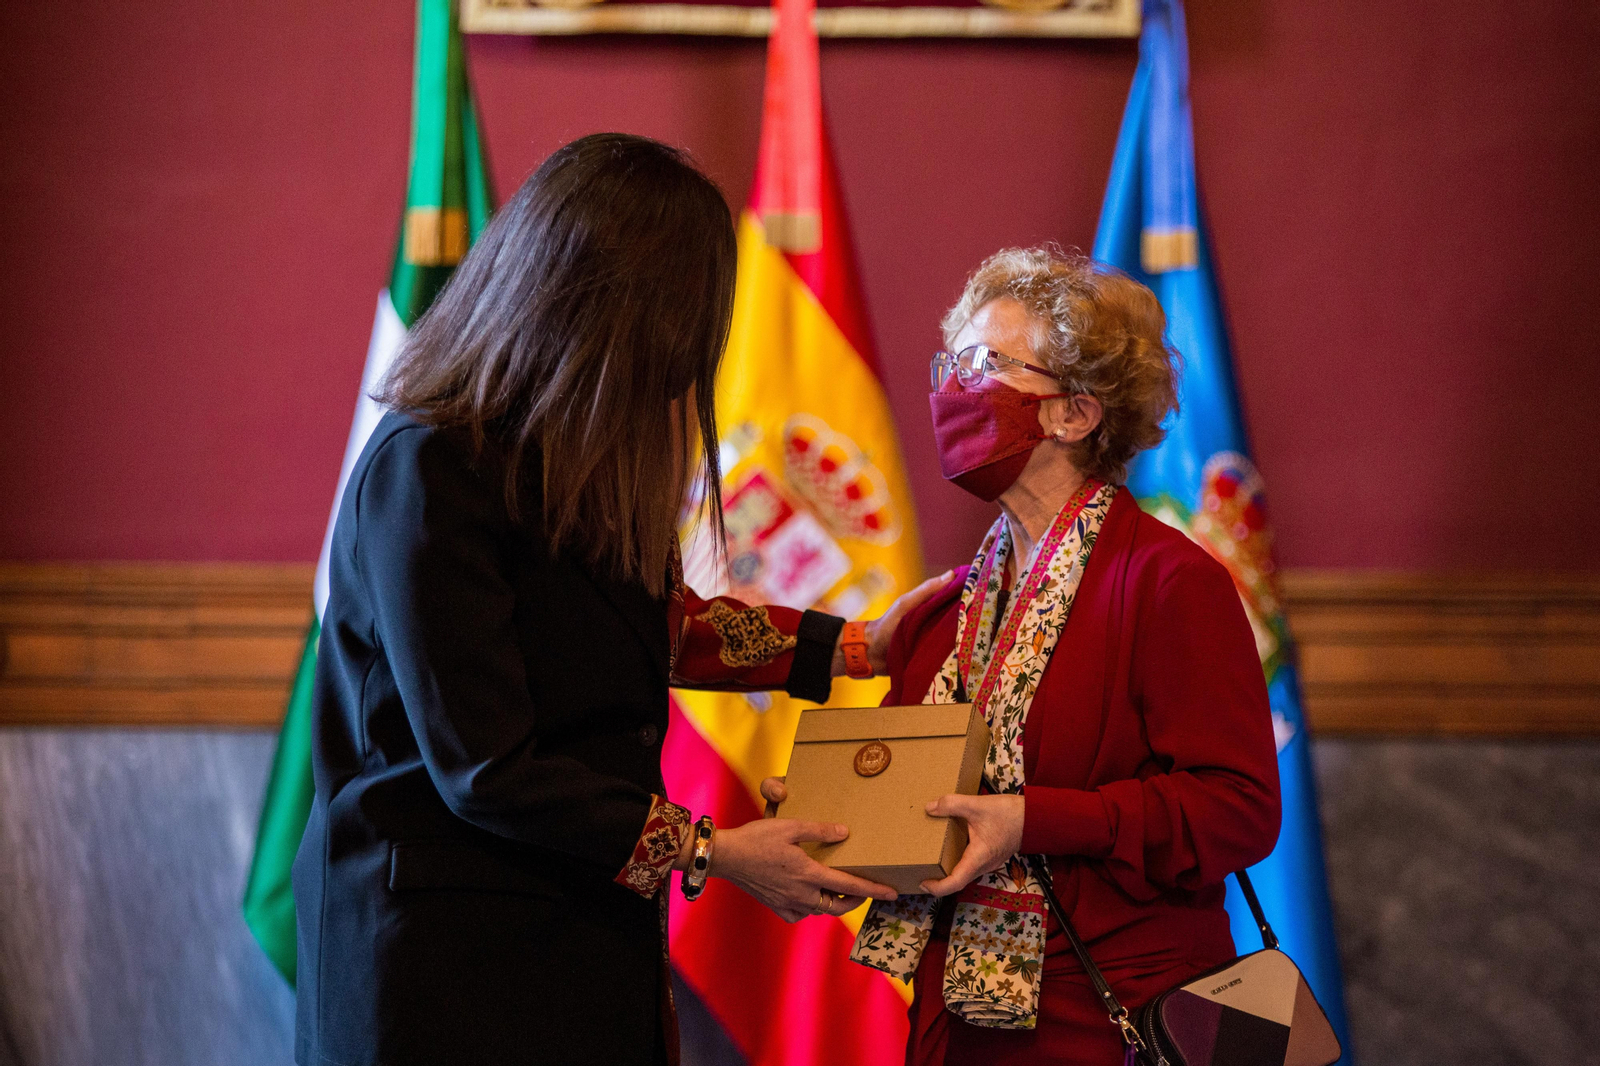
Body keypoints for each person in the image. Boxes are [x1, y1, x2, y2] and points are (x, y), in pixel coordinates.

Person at [290, 134, 940, 1066]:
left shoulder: (573, 455)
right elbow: (487, 768)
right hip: (437, 956)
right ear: (593, 310)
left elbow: (651, 628)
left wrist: (852, 646)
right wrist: (715, 850)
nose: (683, 369)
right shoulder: (430, 466)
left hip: (577, 926)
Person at [765, 247, 1282, 1065]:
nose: (950, 389)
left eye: (986, 364)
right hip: (954, 1013)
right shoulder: (942, 610)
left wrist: (1033, 819)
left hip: (1117, 1016)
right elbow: (919, 804)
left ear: (1075, 415)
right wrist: (832, 822)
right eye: (952, 361)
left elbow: (1240, 810)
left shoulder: (1170, 582)